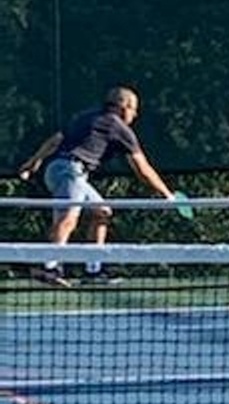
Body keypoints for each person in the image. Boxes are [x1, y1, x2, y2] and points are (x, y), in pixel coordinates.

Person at [17, 86, 176, 287]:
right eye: (134, 109)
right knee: (68, 218)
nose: (135, 115)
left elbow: (56, 139)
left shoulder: (87, 116)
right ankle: (49, 268)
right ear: (123, 107)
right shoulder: (117, 125)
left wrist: (34, 161)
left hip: (61, 171)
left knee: (101, 212)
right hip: (70, 171)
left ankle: (93, 270)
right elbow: (142, 168)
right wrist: (167, 195)